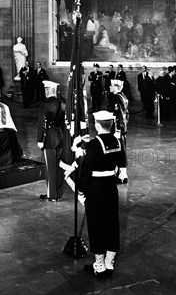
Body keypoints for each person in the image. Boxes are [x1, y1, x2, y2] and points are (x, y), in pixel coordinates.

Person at [79, 110, 124, 278]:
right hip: (111, 187)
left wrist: (82, 189)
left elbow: (86, 170)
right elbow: (120, 165)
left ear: (97, 125)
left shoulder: (93, 144)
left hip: (96, 189)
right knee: (112, 223)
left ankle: (99, 265)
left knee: (96, 225)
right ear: (111, 124)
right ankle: (109, 263)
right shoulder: (117, 141)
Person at [36, 80, 66, 201]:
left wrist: (39, 139)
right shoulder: (62, 103)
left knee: (50, 168)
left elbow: (41, 123)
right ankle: (58, 193)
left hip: (49, 137)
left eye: (46, 89)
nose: (45, 91)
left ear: (49, 90)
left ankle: (51, 195)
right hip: (60, 136)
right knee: (59, 167)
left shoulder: (45, 104)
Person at [107, 79, 128, 183]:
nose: (110, 87)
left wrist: (118, 129)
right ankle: (121, 173)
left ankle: (122, 175)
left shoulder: (116, 98)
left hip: (117, 128)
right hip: (123, 127)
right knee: (121, 150)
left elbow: (118, 114)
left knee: (119, 151)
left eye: (111, 86)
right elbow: (126, 114)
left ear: (116, 87)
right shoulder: (123, 96)